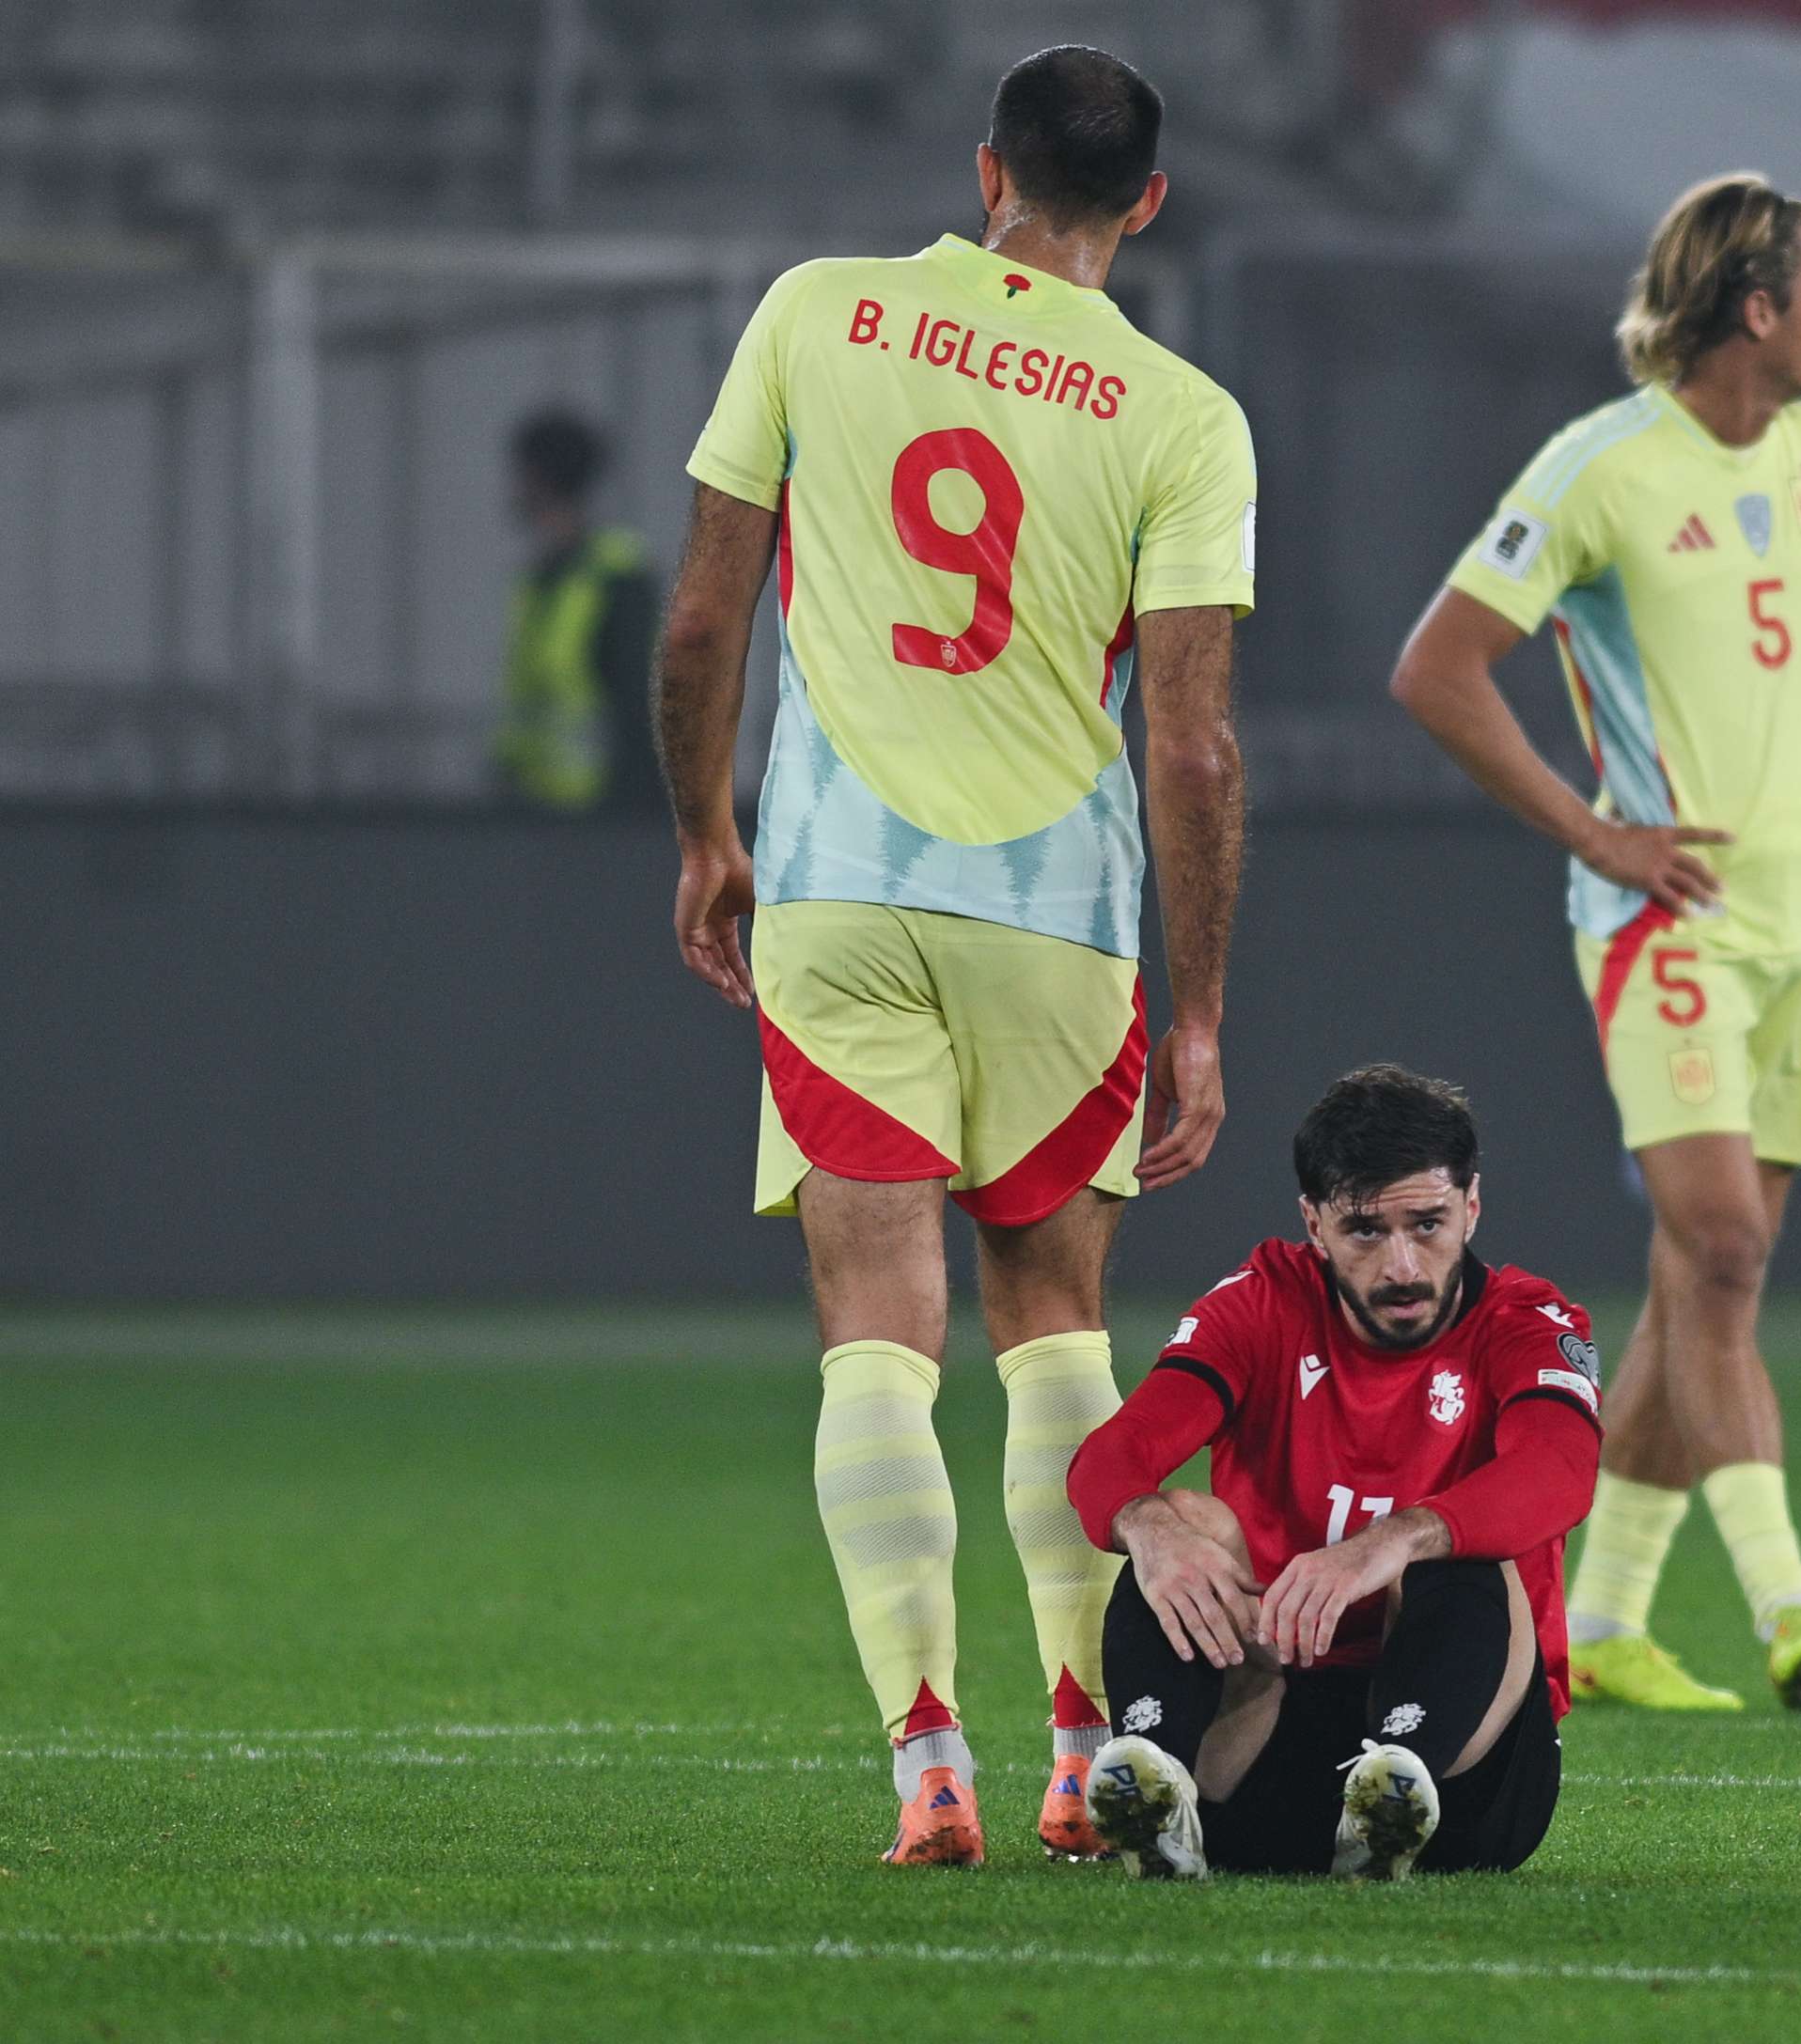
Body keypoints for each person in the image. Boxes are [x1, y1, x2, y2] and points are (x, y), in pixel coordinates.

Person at [650, 44, 1253, 1869]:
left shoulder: (816, 315)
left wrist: (706, 835)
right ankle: (1086, 1742)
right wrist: (1201, 1008)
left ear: (979, 169)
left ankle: (927, 1755)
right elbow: (1198, 747)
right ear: (1142, 205)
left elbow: (699, 623)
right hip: (1058, 920)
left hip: (836, 890)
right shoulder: (1182, 414)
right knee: (1053, 1326)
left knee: (874, 1337)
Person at [1389, 172, 1801, 1714]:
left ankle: (1609, 1616)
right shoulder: (1603, 469)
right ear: (1755, 309)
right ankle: (1791, 1605)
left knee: (1710, 1277)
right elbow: (1439, 669)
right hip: (1667, 925)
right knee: (1720, 1250)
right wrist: (1595, 832)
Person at [1067, 1066, 1602, 1879]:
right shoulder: (1257, 1305)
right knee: (1178, 1516)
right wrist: (1147, 1530)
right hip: (1261, 1744)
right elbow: (1115, 1452)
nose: (1402, 1266)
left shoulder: (1527, 1322)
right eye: (1364, 1231)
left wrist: (1390, 1540)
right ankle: (1158, 1783)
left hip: (1464, 1785)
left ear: (1473, 1205)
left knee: (1456, 1558)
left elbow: (1560, 1470)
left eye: (1428, 1224)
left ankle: (1394, 1794)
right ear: (1313, 1223)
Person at [495, 411, 659, 812]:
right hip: (537, 809)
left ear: (540, 478)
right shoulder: (539, 581)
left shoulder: (616, 574)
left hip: (601, 816)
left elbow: (640, 703)